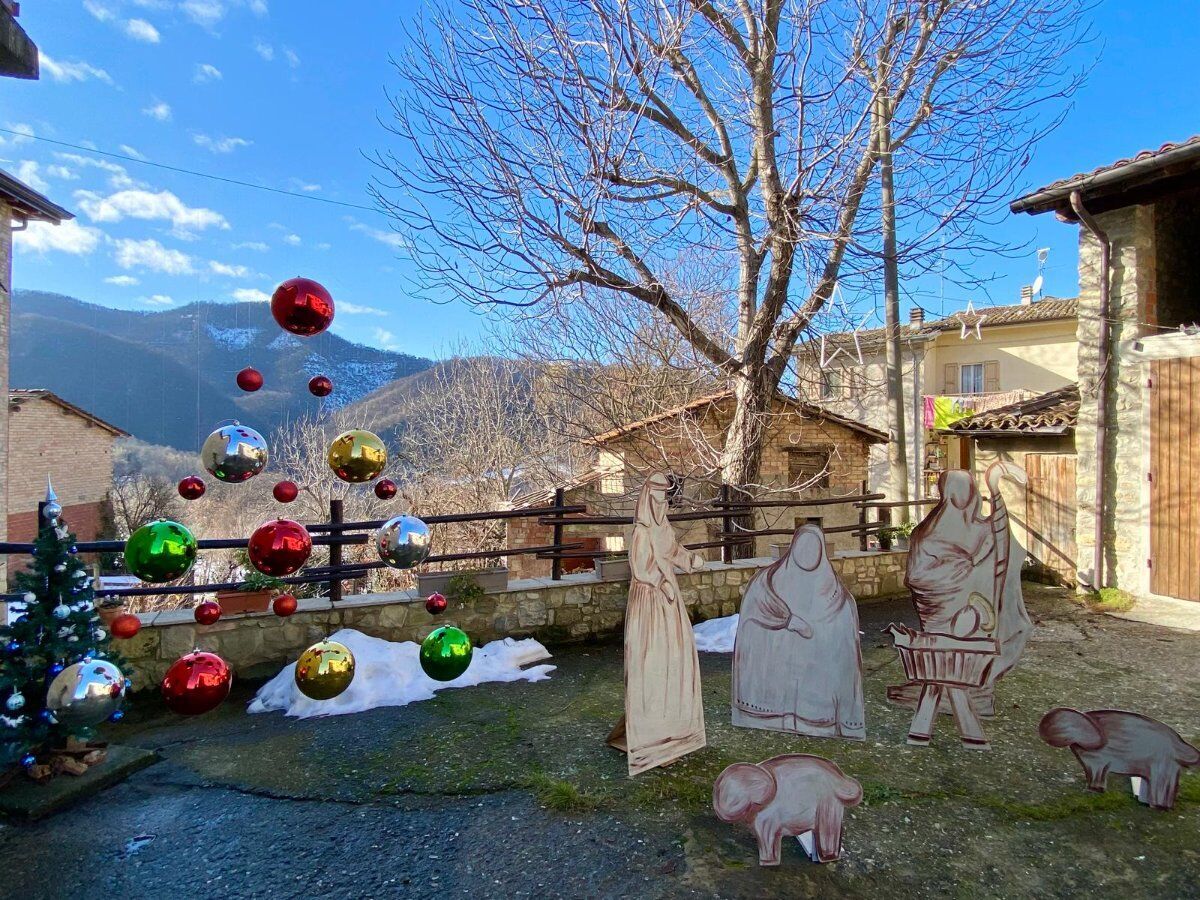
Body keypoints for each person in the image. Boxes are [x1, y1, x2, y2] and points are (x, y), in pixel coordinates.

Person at [889, 463, 1032, 715]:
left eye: (968, 488)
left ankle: (978, 692)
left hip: (978, 607)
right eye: (959, 488)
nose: (964, 495)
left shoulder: (980, 527)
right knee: (948, 652)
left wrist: (995, 489)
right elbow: (917, 576)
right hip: (942, 611)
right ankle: (945, 692)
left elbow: (1002, 544)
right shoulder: (926, 533)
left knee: (978, 646)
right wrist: (966, 573)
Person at [607, 473, 708, 776]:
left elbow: (673, 551)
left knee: (674, 661)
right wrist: (660, 582)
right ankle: (651, 740)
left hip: (669, 602)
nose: (661, 505)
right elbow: (640, 568)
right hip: (650, 603)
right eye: (656, 499)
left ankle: (675, 733)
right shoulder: (640, 532)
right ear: (647, 500)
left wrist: (690, 561)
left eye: (665, 499)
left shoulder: (664, 528)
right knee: (651, 663)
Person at [732, 524, 865, 740]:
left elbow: (845, 647)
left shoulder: (839, 599)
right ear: (793, 548)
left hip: (817, 698)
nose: (807, 554)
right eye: (803, 546)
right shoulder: (767, 582)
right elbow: (754, 609)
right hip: (771, 690)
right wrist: (786, 620)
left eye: (814, 548)